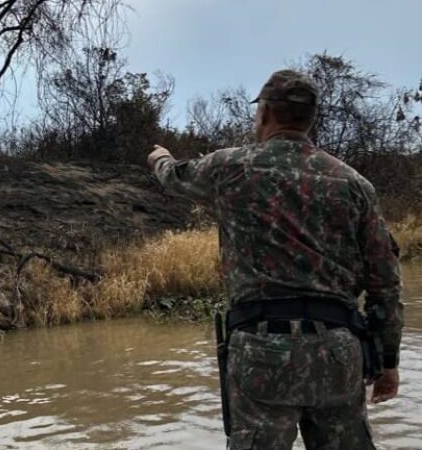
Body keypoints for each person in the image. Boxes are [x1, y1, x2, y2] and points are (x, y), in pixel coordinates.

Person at [147, 70, 403, 450]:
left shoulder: (230, 168)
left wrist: (160, 157)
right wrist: (389, 362)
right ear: (311, 118)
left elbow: (174, 178)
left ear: (264, 113)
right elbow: (385, 281)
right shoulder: (354, 184)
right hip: (337, 353)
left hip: (261, 351)